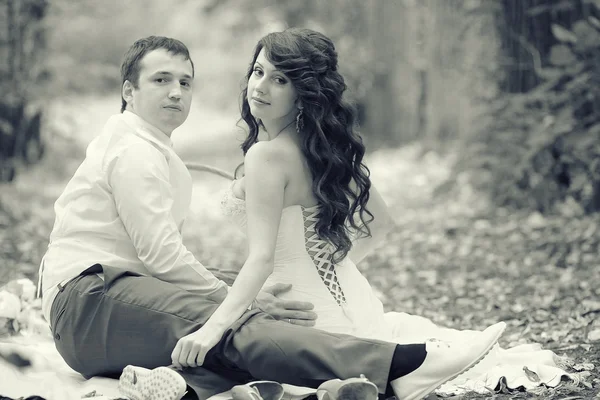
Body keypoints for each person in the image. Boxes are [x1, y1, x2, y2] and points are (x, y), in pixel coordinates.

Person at [37, 35, 505, 400]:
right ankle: (398, 365)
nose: (177, 92)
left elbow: (172, 259)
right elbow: (161, 254)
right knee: (227, 314)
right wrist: (243, 299)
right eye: (161, 80)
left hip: (104, 292)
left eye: (185, 81)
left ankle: (187, 387)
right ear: (128, 90)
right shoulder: (135, 152)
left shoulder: (148, 147)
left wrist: (249, 289)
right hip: (91, 294)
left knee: (231, 299)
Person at [176, 28, 572, 397]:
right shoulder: (323, 148)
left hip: (304, 322)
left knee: (226, 360)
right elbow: (382, 224)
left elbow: (261, 258)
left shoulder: (266, 155)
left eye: (280, 79)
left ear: (304, 93)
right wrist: (333, 267)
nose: (260, 86)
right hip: (356, 303)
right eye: (259, 71)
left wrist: (210, 331)